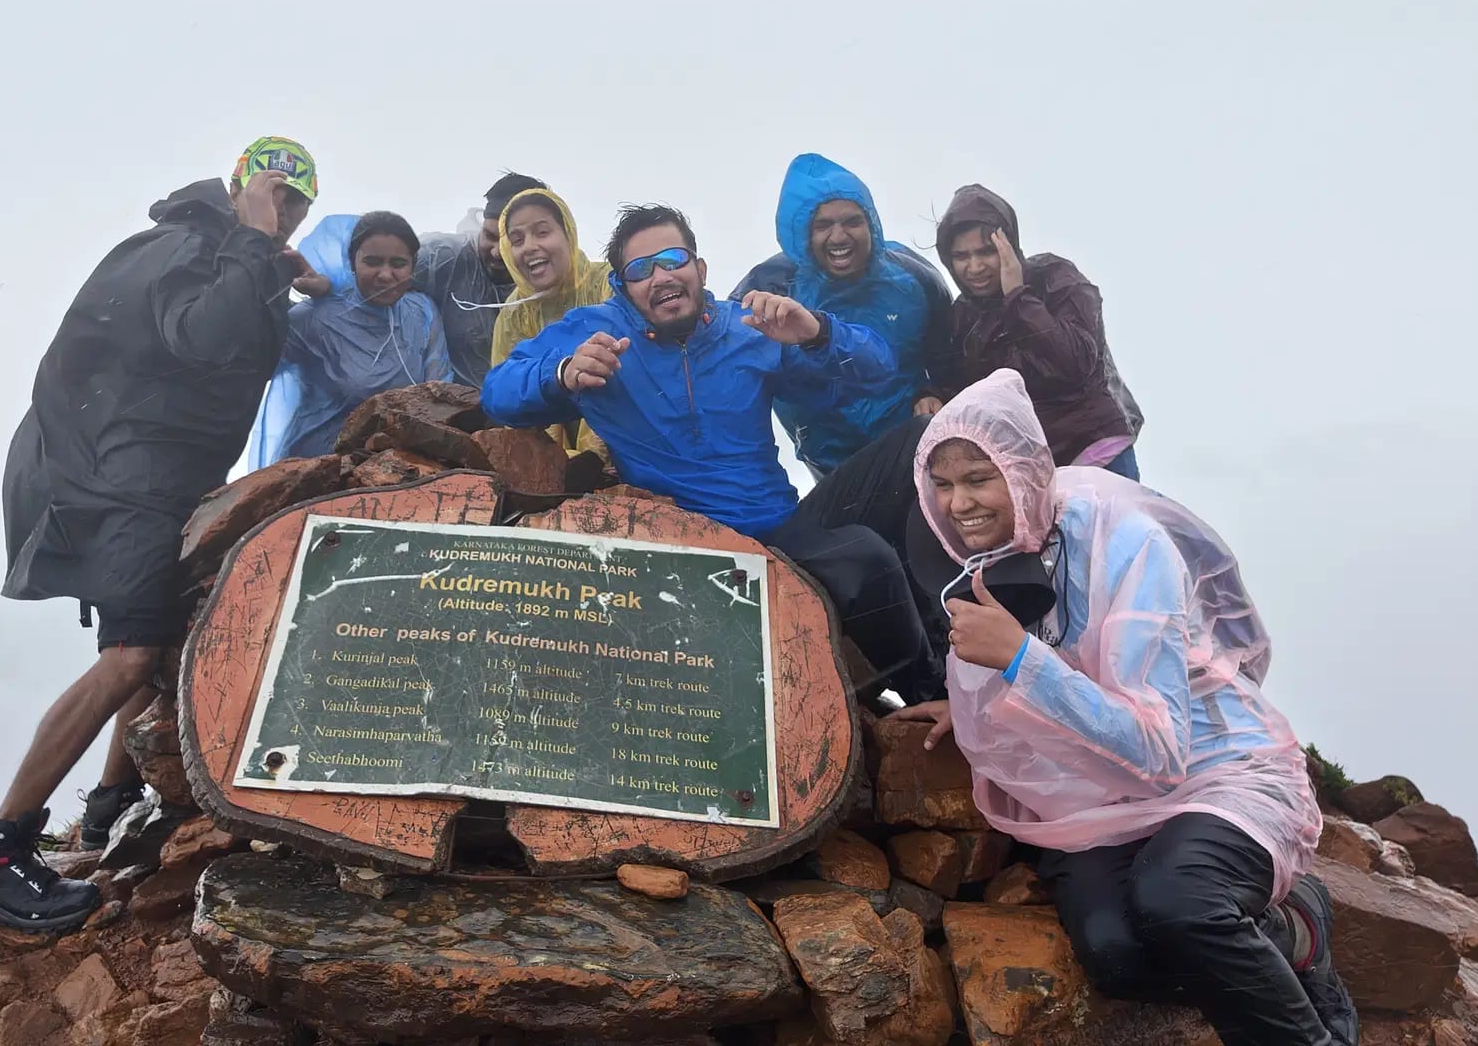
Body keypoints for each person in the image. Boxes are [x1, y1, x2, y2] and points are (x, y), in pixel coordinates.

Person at [889, 370, 1356, 1046]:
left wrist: (1021, 659)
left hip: (1209, 772)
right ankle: (1285, 943)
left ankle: (1303, 994)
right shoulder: (982, 566)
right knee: (1115, 954)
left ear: (1021, 471)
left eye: (978, 478)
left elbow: (1159, 750)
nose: (959, 503)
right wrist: (966, 707)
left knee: (1180, 903)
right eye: (943, 484)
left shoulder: (1126, 545)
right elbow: (1016, 683)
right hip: (1096, 797)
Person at [0, 137, 320, 934]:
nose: (281, 211)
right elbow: (198, 337)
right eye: (269, 194)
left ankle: (109, 807)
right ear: (237, 189)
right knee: (130, 657)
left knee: (151, 641)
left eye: (295, 205)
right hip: (130, 478)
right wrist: (255, 241)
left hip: (162, 477)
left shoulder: (233, 258)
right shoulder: (186, 245)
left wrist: (281, 273)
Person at [480, 203, 935, 698]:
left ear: (699, 269)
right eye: (639, 269)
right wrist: (561, 372)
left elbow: (876, 372)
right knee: (866, 556)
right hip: (691, 542)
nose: (659, 276)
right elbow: (499, 393)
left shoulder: (749, 329)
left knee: (921, 443)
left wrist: (819, 335)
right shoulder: (597, 330)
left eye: (672, 259)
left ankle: (936, 692)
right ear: (623, 287)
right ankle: (899, 693)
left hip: (781, 527)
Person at [734, 154, 952, 475]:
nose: (838, 237)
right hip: (831, 464)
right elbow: (721, 355)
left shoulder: (914, 279)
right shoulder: (770, 285)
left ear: (872, 224)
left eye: (851, 221)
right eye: (823, 225)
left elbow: (948, 350)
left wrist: (934, 391)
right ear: (802, 233)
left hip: (914, 450)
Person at [930, 184, 1142, 478]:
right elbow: (958, 387)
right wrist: (929, 393)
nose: (975, 266)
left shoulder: (1056, 279)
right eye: (962, 256)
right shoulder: (962, 316)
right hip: (1032, 467)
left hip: (1095, 450)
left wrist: (1017, 296)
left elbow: (1074, 362)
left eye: (987, 251)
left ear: (1009, 244)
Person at [271, 211, 453, 459]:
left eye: (398, 263)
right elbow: (252, 360)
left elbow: (439, 391)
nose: (386, 274)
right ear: (352, 263)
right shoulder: (314, 318)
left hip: (397, 467)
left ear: (413, 265)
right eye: (372, 262)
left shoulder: (422, 312)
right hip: (319, 469)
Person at [490, 186, 611, 455]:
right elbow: (508, 396)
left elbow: (622, 372)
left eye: (542, 232)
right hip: (552, 469)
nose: (530, 246)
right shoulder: (514, 312)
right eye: (517, 240)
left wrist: (592, 460)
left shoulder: (607, 283)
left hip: (621, 455)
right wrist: (549, 462)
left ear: (568, 234)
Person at [410, 171, 548, 387]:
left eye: (511, 242)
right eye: (490, 236)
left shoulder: (552, 278)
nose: (496, 252)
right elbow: (367, 261)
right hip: (448, 408)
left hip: (523, 412)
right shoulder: (443, 258)